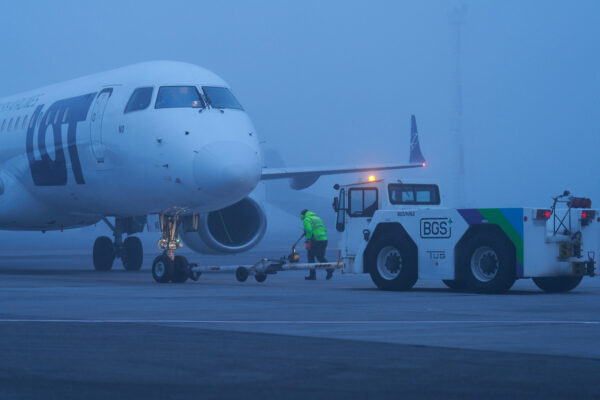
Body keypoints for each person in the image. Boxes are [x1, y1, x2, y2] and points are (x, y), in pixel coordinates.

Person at [300, 209, 332, 281]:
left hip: (315, 241)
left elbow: (309, 230)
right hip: (324, 240)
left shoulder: (306, 219)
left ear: (303, 215)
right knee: (320, 257)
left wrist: (308, 240)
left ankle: (312, 275)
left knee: (310, 257)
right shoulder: (318, 218)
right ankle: (329, 270)